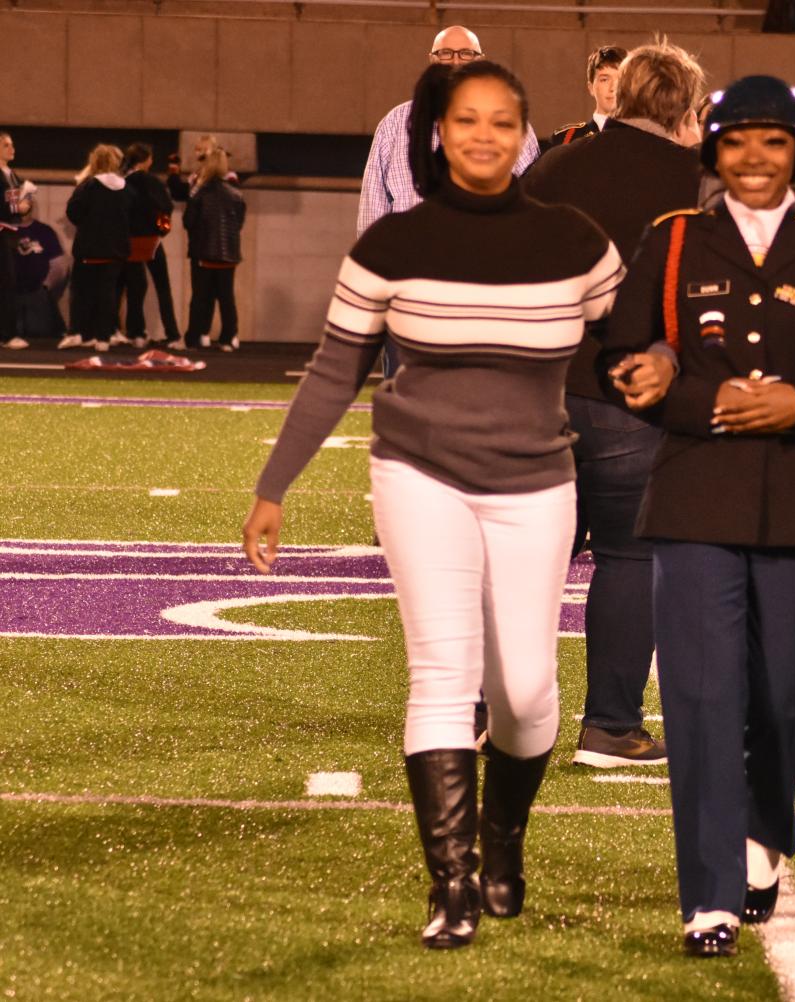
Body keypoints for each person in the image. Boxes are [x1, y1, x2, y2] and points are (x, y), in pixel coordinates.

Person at [243, 59, 623, 951]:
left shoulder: (575, 240)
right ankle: (449, 883)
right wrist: (273, 486)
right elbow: (336, 367)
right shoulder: (391, 245)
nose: (484, 136)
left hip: (537, 481)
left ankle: (503, 835)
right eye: (466, 121)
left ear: (523, 135)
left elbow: (630, 336)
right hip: (419, 475)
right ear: (437, 134)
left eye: (501, 121)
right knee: (441, 677)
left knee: (527, 695)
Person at [599, 75, 795, 958]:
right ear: (713, 152)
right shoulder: (674, 239)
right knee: (697, 694)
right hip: (693, 493)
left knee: (783, 685)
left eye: (773, 141)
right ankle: (709, 895)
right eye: (737, 142)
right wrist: (698, 395)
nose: (755, 158)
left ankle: (765, 829)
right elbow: (628, 354)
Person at [525, 40, 705, 769]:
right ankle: (609, 726)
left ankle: (484, 712)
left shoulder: (557, 162)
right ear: (685, 106)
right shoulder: (695, 180)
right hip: (632, 390)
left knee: (524, 560)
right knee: (629, 557)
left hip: (539, 386)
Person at [357, 25, 542, 382]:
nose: (454, 61)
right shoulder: (395, 125)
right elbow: (372, 215)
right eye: (445, 53)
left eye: (465, 54)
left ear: (480, 61)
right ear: (431, 61)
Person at [61, 144, 130, 351]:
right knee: (108, 294)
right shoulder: (126, 188)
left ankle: (79, 333)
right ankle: (103, 338)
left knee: (82, 292)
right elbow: (132, 217)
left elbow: (73, 212)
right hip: (116, 250)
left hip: (89, 249)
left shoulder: (88, 187)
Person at [179, 148, 246, 352]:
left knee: (200, 296)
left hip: (203, 252)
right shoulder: (236, 194)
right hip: (229, 254)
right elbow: (239, 224)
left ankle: (194, 338)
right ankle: (228, 338)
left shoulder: (199, 192)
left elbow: (188, 221)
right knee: (226, 297)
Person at [119, 142, 179, 348]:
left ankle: (137, 333)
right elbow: (165, 209)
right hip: (152, 241)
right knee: (163, 287)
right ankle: (173, 334)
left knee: (136, 288)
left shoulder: (123, 182)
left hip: (130, 240)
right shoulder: (152, 182)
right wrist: (162, 231)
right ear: (147, 160)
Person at [542, 45, 625, 151]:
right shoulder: (566, 139)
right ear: (591, 88)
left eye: (620, 79)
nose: (613, 88)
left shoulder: (643, 138)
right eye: (604, 80)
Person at [12, 198, 69, 344]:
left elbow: (59, 265)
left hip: (36, 292)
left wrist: (46, 286)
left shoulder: (44, 231)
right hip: (9, 293)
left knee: (39, 332)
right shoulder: (4, 230)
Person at [1, 131, 28, 348]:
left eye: (11, 145)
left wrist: (25, 205)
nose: (12, 149)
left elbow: (17, 203)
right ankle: (8, 334)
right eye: (6, 145)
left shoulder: (12, 174)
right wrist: (16, 207)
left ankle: (8, 332)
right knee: (6, 282)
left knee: (9, 282)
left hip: (10, 232)